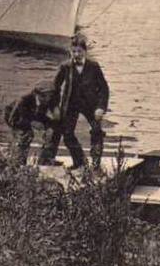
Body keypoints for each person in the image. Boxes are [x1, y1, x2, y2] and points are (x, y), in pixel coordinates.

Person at [39, 34, 110, 170]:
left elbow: (104, 88)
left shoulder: (94, 66)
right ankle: (80, 162)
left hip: (91, 105)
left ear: (85, 51)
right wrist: (55, 107)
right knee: (67, 134)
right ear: (70, 51)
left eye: (80, 51)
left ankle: (95, 165)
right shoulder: (65, 66)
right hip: (71, 104)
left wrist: (101, 107)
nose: (77, 54)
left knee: (97, 131)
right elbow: (54, 88)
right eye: (74, 51)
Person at [3, 80, 58, 166]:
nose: (50, 98)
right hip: (16, 116)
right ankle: (19, 161)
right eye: (48, 95)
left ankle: (45, 159)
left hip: (33, 115)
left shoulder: (47, 100)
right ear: (39, 94)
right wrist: (33, 123)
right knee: (26, 135)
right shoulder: (24, 100)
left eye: (51, 95)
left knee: (53, 129)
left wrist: (50, 124)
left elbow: (42, 115)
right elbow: (15, 118)